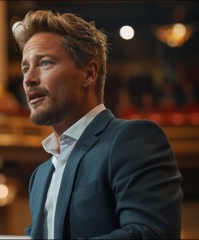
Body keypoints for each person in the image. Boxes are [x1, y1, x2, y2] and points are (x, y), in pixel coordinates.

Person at [12, 10, 183, 239]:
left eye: (44, 63)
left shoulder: (132, 139)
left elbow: (150, 234)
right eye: (25, 68)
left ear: (89, 73)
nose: (28, 79)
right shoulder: (40, 175)